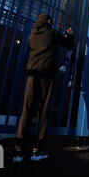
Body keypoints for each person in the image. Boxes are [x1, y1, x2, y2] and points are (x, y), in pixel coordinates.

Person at [13, 14, 74, 163]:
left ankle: (18, 151)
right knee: (43, 110)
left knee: (27, 109)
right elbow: (67, 42)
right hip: (46, 76)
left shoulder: (31, 36)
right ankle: (37, 149)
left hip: (32, 75)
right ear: (48, 22)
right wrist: (70, 34)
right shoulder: (51, 33)